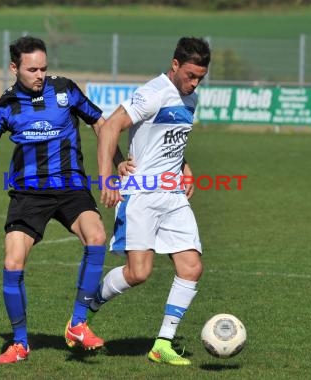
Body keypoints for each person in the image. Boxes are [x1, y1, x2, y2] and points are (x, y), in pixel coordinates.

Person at [0, 36, 125, 364]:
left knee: (96, 237)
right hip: (28, 194)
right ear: (14, 68)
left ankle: (78, 324)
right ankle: (20, 342)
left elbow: (101, 124)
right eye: (32, 69)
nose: (39, 74)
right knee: (12, 263)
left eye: (44, 68)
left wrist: (118, 161)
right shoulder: (6, 106)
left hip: (70, 188)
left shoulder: (65, 90)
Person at [89, 36, 210, 366]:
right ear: (174, 65)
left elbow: (171, 142)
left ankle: (163, 343)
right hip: (141, 194)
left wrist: (185, 167)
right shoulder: (153, 93)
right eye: (190, 75)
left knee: (191, 267)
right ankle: (88, 304)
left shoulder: (190, 99)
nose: (195, 83)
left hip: (172, 195)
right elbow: (110, 126)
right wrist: (109, 176)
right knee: (138, 273)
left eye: (200, 77)